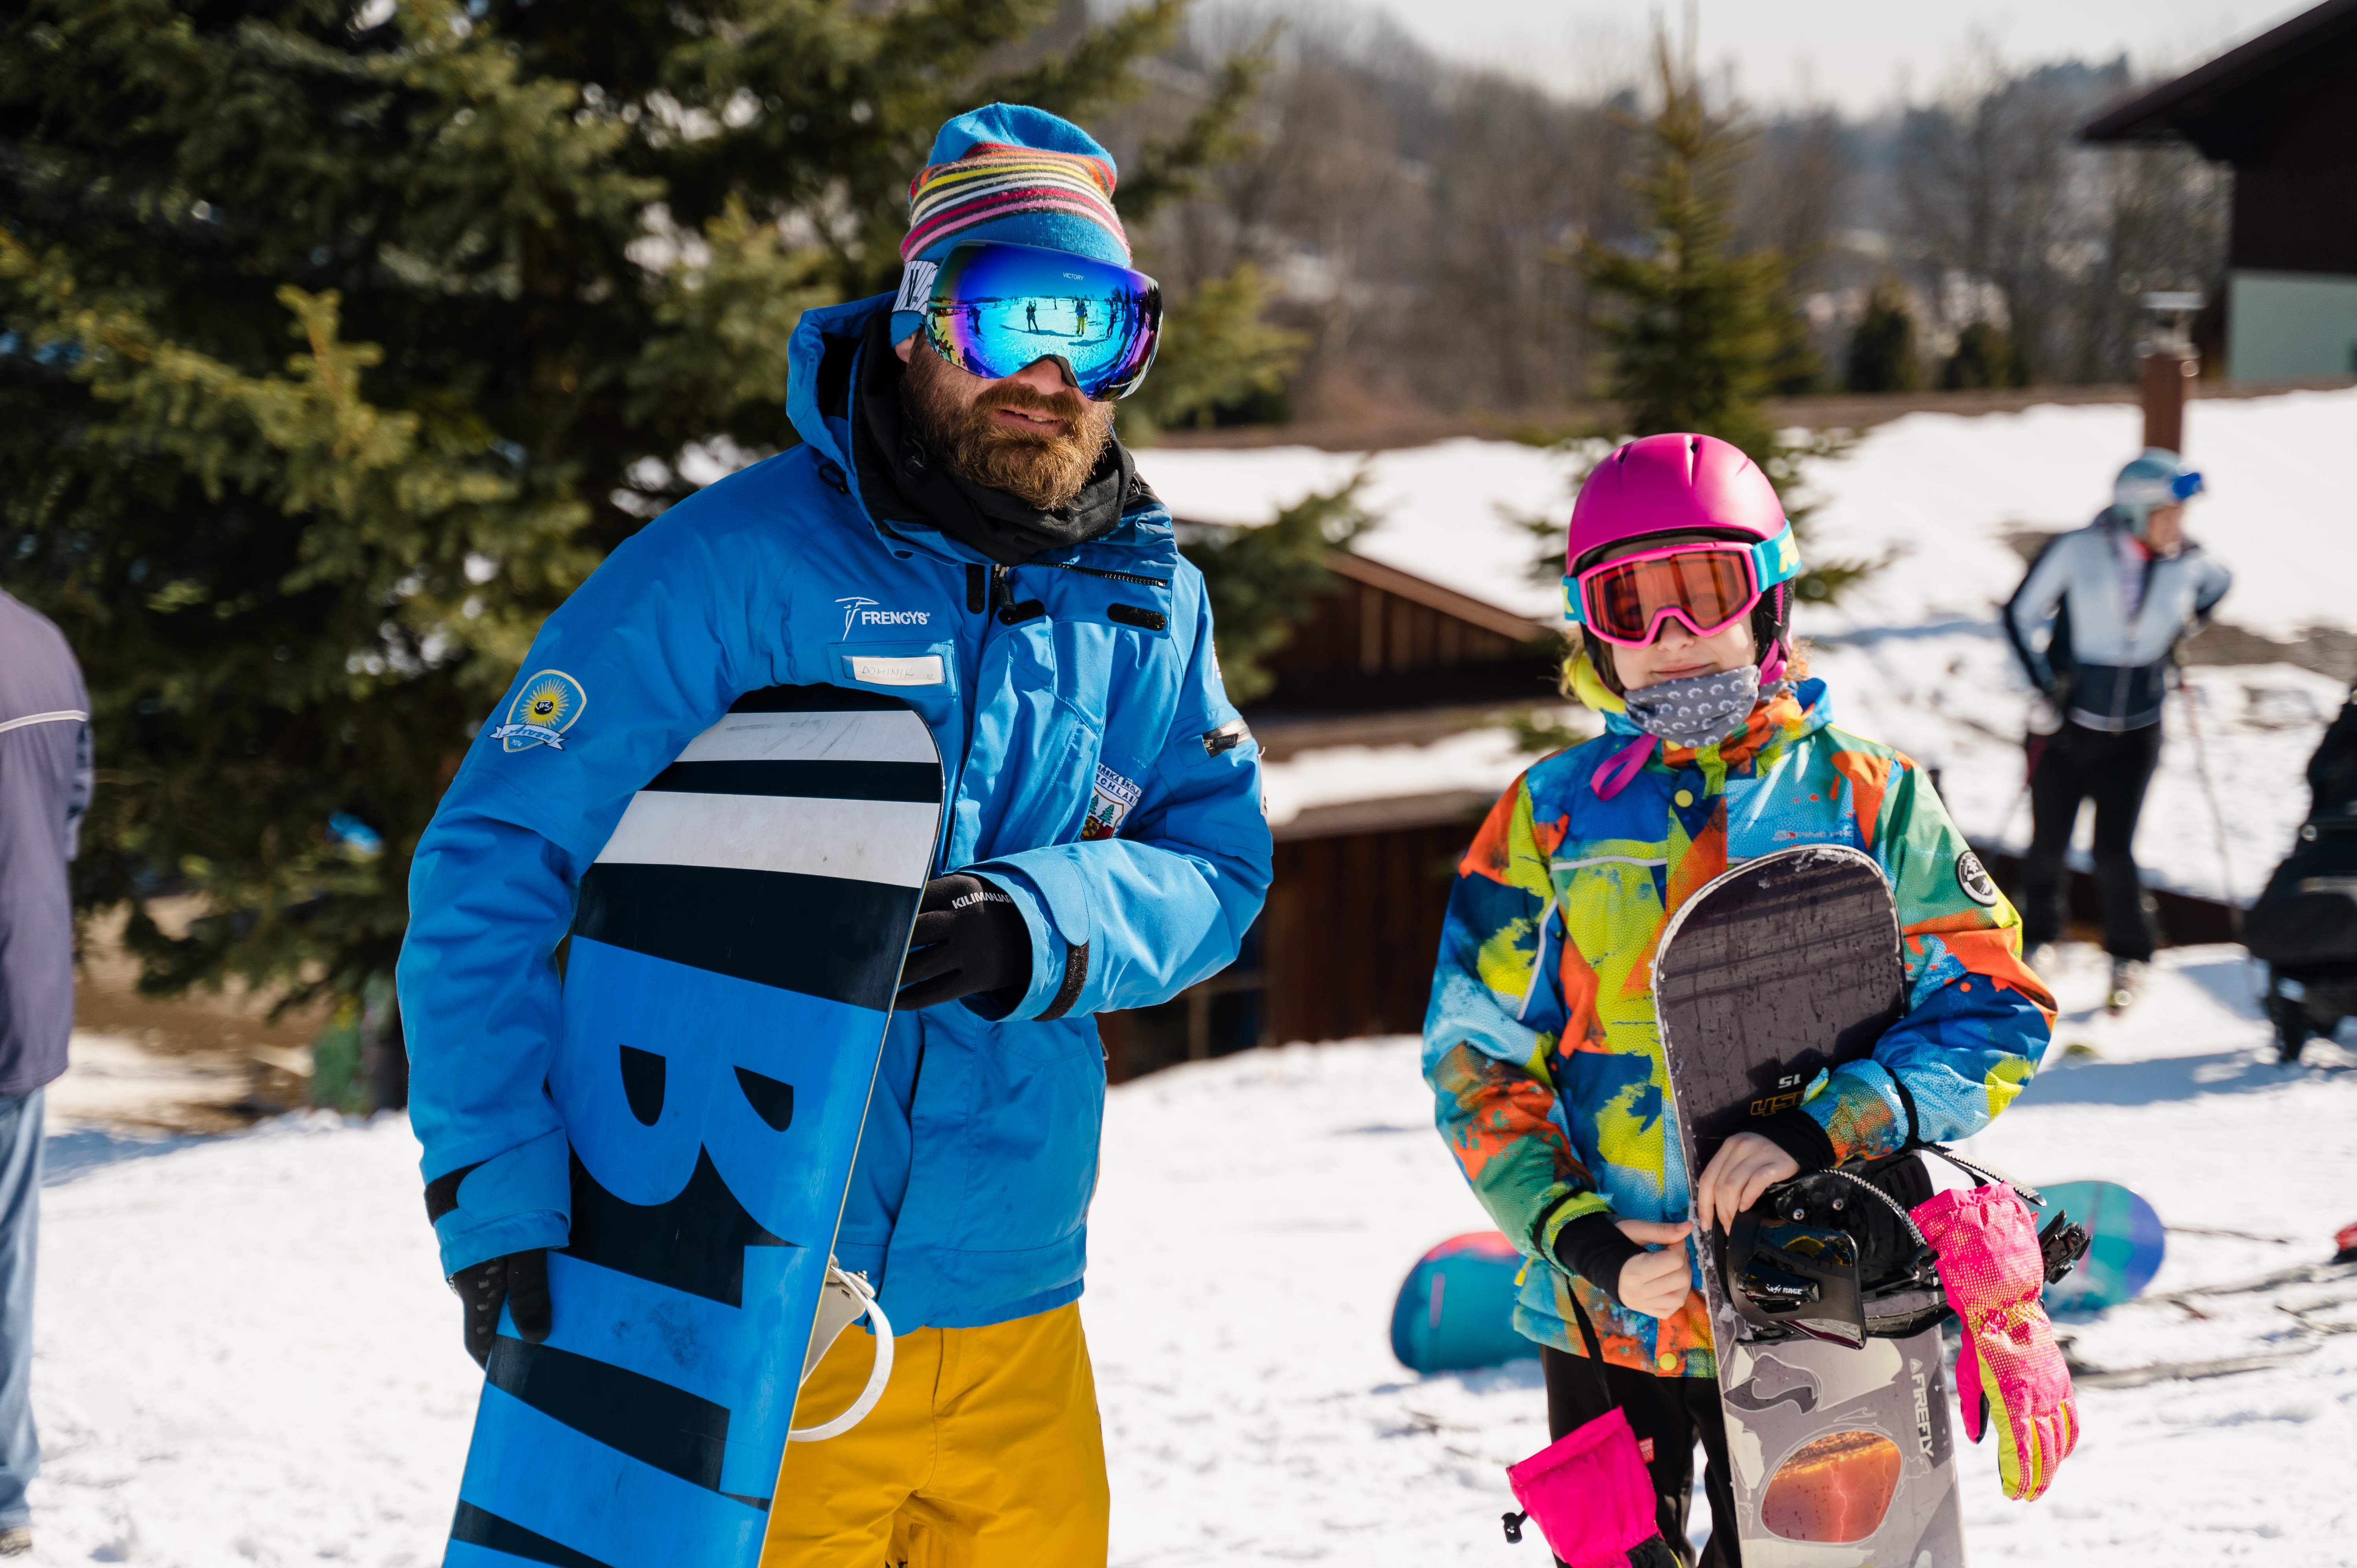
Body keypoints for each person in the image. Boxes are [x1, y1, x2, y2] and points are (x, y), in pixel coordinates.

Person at [397, 104, 1268, 1565]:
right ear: (920, 314)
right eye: (1010, 315)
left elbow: (1217, 866)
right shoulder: (732, 568)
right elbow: (493, 861)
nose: (1052, 375)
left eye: (1102, 329)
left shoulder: (1144, 602)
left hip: (1020, 1305)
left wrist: (1041, 922)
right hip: (756, 1305)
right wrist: (494, 1186)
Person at [1421, 434, 2055, 1565]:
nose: (1672, 635)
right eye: (1631, 605)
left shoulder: (1868, 796)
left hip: (1821, 1283)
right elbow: (1478, 1062)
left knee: (1827, 1557)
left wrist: (1824, 1127)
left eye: (1704, 591)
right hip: (1611, 1311)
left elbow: (1995, 1008)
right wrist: (1584, 1242)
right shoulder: (1550, 817)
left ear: (1769, 601)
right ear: (1591, 632)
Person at [2004, 447, 2231, 1009]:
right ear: (2135, 511)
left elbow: (2219, 585)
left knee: (2114, 850)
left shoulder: (2188, 561)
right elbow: (2019, 614)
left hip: (2138, 731)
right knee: (2048, 844)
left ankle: (2131, 952)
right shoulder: (2080, 549)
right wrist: (2043, 689)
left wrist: (2176, 634)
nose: (2178, 526)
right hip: (2066, 727)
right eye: (2167, 514)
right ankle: (2041, 937)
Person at [0, 590, 93, 1559]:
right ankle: (4, 1492)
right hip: (22, 996)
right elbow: (67, 812)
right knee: (6, 1257)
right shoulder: (42, 645)